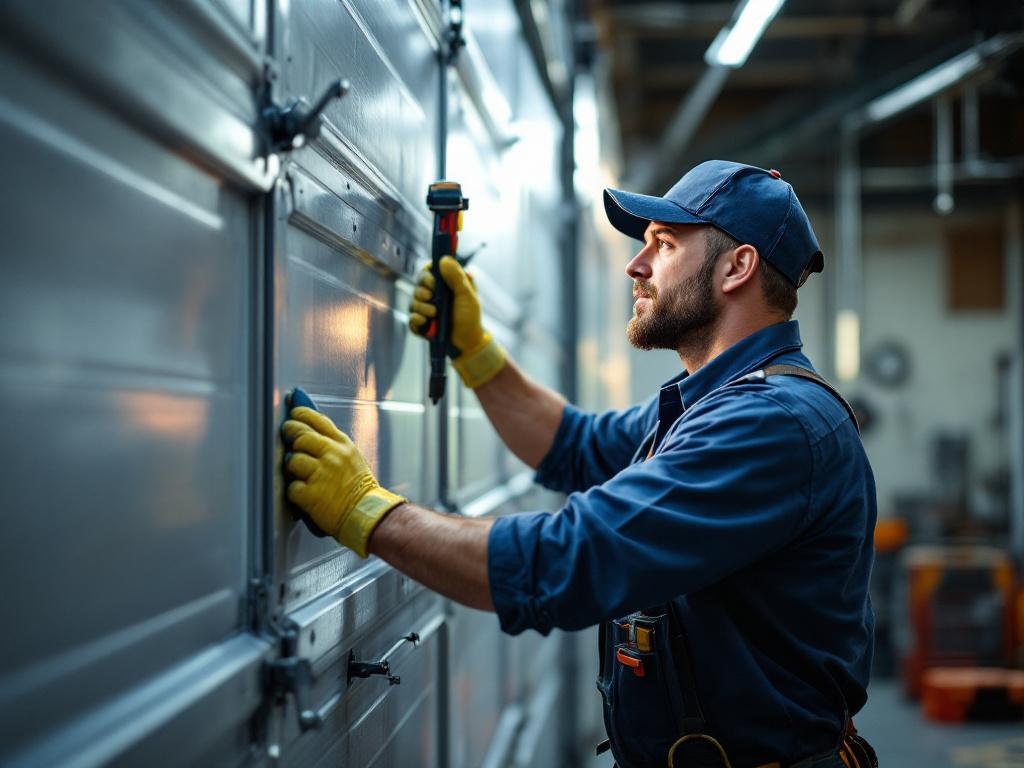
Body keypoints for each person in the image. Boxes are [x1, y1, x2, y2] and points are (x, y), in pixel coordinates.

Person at [282, 160, 878, 768]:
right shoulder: (706, 403)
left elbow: (570, 559)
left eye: (664, 244)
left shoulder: (769, 423)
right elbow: (576, 446)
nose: (635, 265)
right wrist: (474, 350)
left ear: (737, 267)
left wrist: (366, 512)